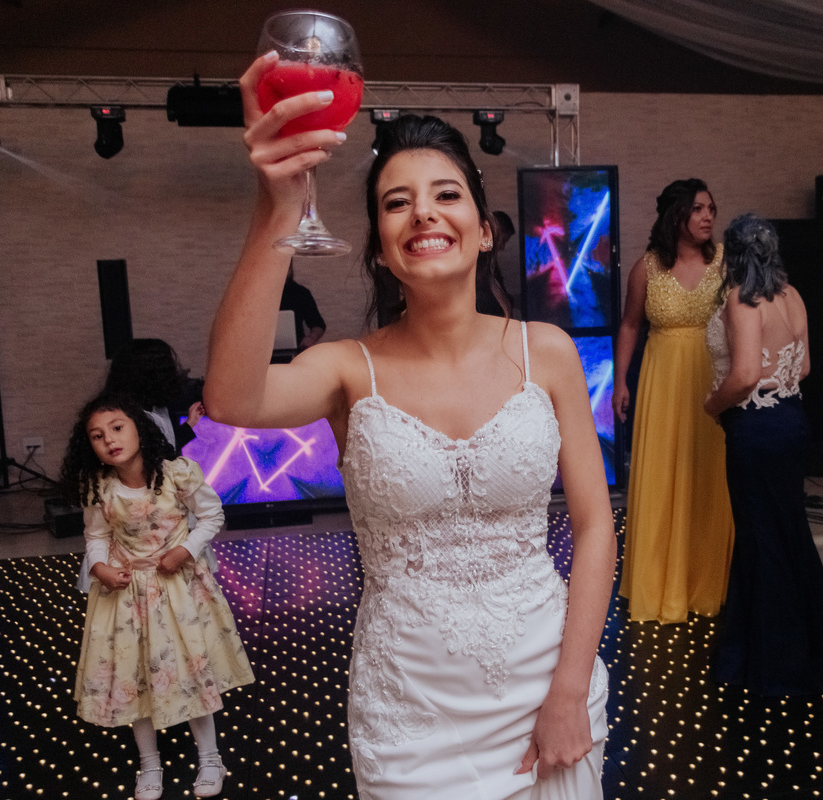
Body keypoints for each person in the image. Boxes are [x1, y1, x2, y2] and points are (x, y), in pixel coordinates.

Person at [204, 52, 614, 799]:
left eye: (446, 194)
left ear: (484, 231)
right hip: (409, 715)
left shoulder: (547, 352)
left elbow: (594, 529)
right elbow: (232, 399)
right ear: (381, 249)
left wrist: (569, 689)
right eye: (397, 203)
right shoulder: (347, 370)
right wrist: (279, 209)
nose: (423, 213)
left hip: (547, 687)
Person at [58, 393, 253, 800]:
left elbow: (212, 515)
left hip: (178, 591)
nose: (109, 440)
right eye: (97, 435)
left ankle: (211, 758)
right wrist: (100, 568)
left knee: (193, 672)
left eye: (117, 428)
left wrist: (185, 550)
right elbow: (96, 535)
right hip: (127, 596)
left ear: (139, 429)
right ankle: (149, 765)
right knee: (134, 679)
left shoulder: (177, 473)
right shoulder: (99, 486)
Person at [702, 214, 823, 695]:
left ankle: (772, 658)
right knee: (788, 531)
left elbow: (744, 375)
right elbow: (802, 367)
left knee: (760, 537)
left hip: (756, 427)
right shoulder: (791, 295)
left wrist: (712, 405)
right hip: (791, 421)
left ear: (733, 254)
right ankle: (812, 642)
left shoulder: (743, 299)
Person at [613, 178, 734, 624]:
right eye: (698, 209)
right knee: (663, 475)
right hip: (662, 382)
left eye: (711, 209)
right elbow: (630, 325)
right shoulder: (646, 268)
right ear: (676, 215)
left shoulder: (725, 262)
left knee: (709, 476)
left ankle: (704, 583)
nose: (708, 217)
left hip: (712, 378)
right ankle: (659, 582)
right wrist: (620, 382)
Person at [104, 338, 205, 454]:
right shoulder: (128, 418)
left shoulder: (155, 406)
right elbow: (161, 454)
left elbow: (168, 444)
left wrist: (190, 423)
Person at [280, 263, 327, 350]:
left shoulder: (301, 292)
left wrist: (311, 337)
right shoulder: (259, 293)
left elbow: (318, 324)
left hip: (295, 350)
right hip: (261, 352)